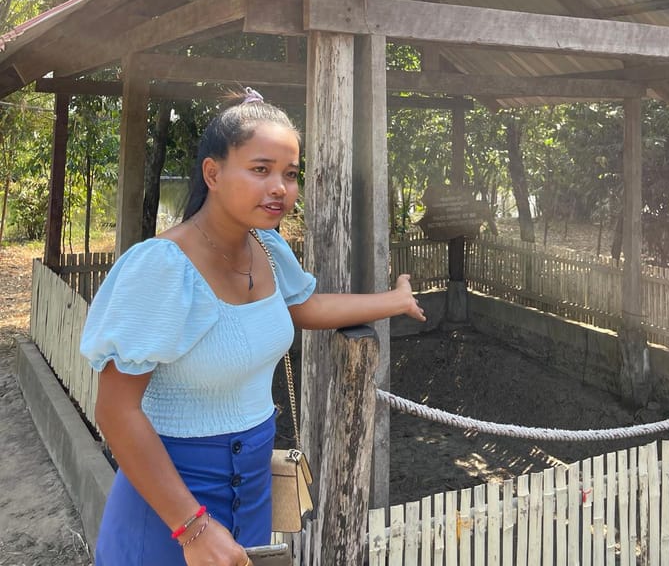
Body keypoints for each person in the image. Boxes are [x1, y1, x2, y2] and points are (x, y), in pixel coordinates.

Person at [80, 88, 426, 566]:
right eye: (260, 169)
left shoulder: (266, 248)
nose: (280, 188)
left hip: (256, 482)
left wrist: (394, 300)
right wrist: (192, 527)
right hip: (172, 500)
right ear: (213, 173)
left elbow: (306, 306)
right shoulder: (162, 268)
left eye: (290, 174)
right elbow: (116, 411)